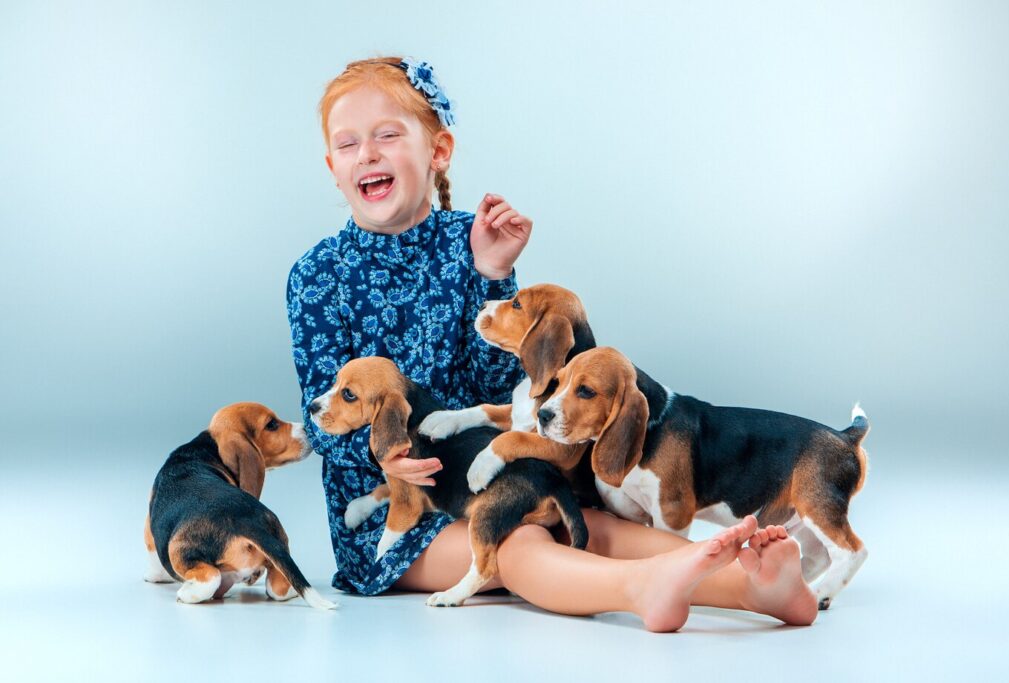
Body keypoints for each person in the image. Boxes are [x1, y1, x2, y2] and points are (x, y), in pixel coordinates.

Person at [286, 56, 818, 632]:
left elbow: (505, 395)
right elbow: (321, 416)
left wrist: (492, 273)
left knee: (590, 521)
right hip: (395, 507)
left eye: (387, 135)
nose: (367, 153)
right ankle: (666, 589)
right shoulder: (317, 275)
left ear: (438, 150)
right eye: (348, 144)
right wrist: (381, 452)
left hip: (489, 472)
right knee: (517, 542)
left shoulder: (470, 242)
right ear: (331, 167)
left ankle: (760, 583)